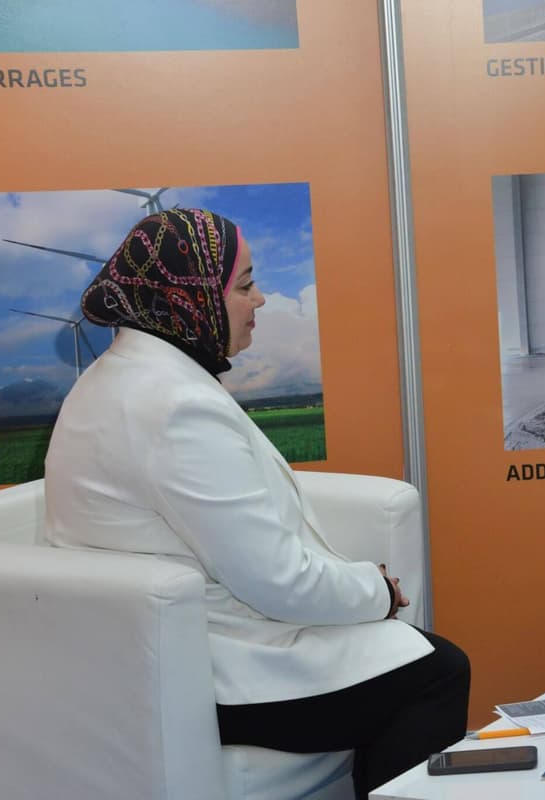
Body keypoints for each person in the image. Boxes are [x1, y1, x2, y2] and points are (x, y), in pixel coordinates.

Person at [43, 208, 470, 798]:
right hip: (210, 674)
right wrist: (377, 591)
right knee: (438, 671)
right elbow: (275, 581)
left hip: (147, 656)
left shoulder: (112, 379)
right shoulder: (174, 406)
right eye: (244, 285)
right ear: (189, 297)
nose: (262, 300)